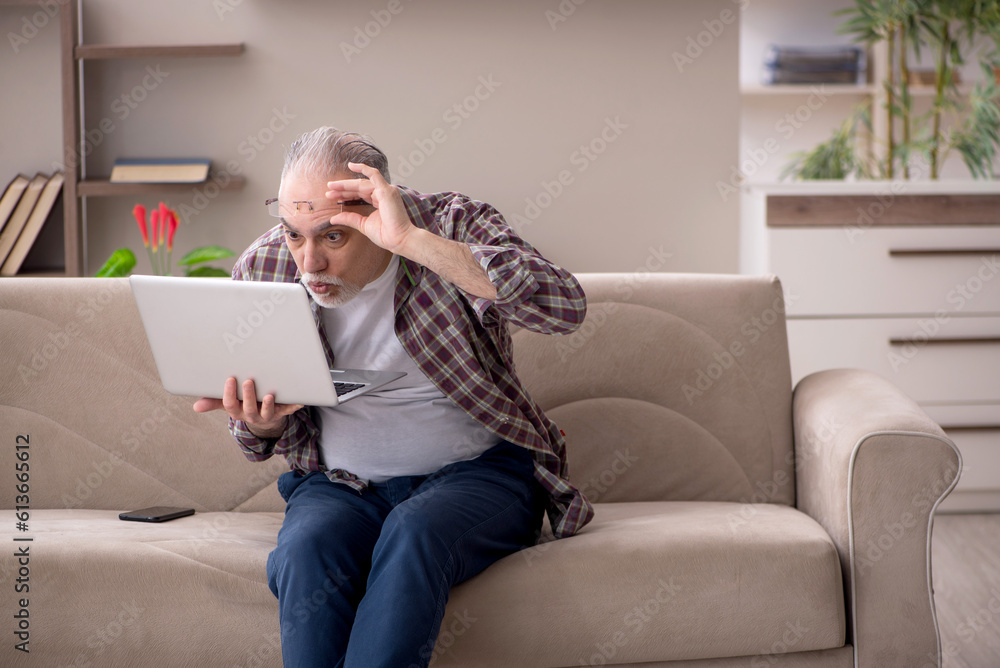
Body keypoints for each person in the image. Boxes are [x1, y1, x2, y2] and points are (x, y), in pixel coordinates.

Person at [194, 127, 594, 667]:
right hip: (340, 486)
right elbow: (258, 439)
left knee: (414, 531)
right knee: (305, 551)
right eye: (293, 234)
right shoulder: (265, 267)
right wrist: (261, 424)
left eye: (332, 237)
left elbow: (565, 307)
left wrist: (411, 242)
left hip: (480, 475)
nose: (308, 263)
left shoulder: (451, 226)